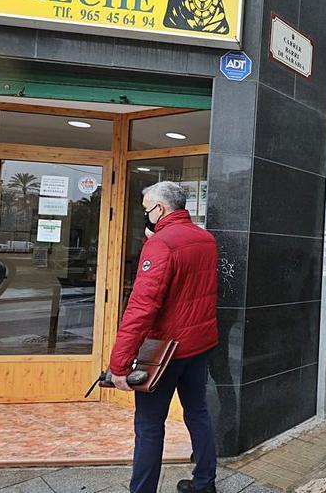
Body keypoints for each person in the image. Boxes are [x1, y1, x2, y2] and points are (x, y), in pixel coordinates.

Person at [109, 181, 219, 493]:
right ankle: (204, 483)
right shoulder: (205, 238)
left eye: (147, 210)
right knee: (198, 413)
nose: (147, 215)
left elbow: (141, 307)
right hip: (199, 345)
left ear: (161, 208)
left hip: (165, 352)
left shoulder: (160, 244)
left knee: (148, 426)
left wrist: (119, 365)